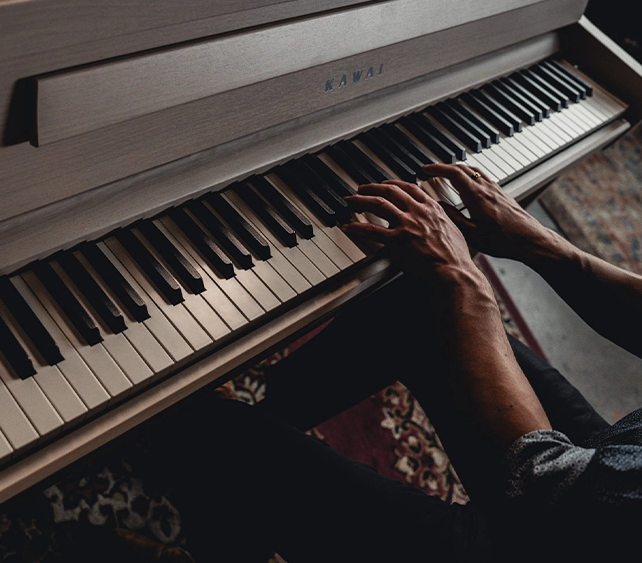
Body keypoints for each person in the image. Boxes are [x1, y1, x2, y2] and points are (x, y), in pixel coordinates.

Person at [161, 164, 642, 562]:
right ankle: (275, 414)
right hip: (611, 468)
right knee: (417, 301)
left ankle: (233, 491)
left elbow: (542, 483)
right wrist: (546, 247)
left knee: (205, 433)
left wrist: (464, 279)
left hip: (557, 536)